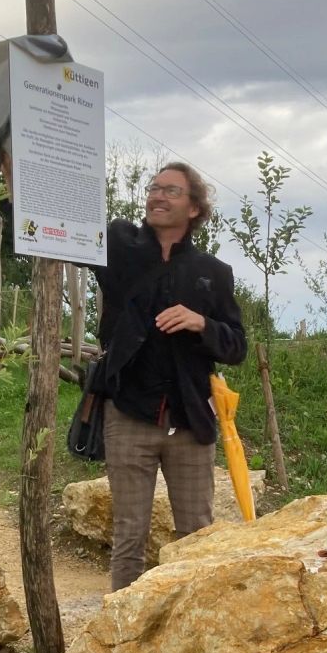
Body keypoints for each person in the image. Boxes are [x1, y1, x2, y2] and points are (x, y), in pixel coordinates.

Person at [95, 163, 247, 590]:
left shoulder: (213, 273)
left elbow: (237, 346)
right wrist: (16, 183)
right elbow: (53, 230)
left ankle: (194, 631)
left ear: (195, 207)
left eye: (172, 191)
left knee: (197, 535)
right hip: (128, 414)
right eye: (154, 188)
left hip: (190, 421)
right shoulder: (119, 252)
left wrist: (202, 323)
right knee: (129, 536)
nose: (158, 196)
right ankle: (123, 635)